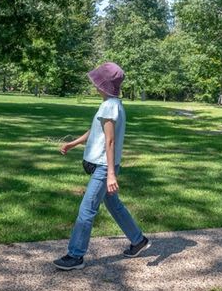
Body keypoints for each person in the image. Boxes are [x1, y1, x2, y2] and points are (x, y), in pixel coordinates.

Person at [53, 62, 150, 271]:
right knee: (114, 206)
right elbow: (96, 132)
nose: (94, 85)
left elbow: (110, 141)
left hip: (103, 168)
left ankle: (75, 255)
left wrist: (111, 175)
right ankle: (138, 240)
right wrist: (73, 143)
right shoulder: (111, 104)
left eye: (97, 82)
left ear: (103, 85)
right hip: (105, 166)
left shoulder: (109, 106)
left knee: (87, 210)